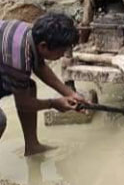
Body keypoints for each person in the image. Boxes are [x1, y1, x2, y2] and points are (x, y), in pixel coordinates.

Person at [0, 13, 85, 156]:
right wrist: (53, 103)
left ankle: (32, 147)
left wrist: (70, 93)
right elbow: (24, 104)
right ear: (43, 46)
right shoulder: (18, 60)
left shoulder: (29, 32)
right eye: (61, 52)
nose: (62, 55)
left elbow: (39, 66)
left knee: (29, 86)